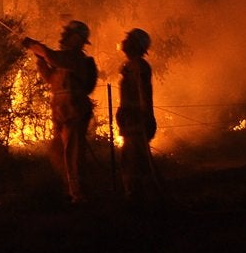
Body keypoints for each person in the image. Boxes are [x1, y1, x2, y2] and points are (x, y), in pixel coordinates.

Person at [22, 20, 98, 203]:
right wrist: (39, 58)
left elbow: (53, 57)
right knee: (58, 151)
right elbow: (50, 78)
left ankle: (79, 194)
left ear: (77, 39)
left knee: (72, 152)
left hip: (74, 109)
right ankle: (71, 188)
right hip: (60, 109)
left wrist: (35, 46)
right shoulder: (64, 59)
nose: (63, 37)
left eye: (68, 34)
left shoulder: (76, 58)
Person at [115, 28, 157, 203]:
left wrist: (146, 117)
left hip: (136, 119)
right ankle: (135, 193)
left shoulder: (139, 66)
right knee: (130, 157)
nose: (125, 42)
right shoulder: (129, 66)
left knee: (135, 159)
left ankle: (140, 197)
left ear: (136, 45)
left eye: (129, 39)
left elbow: (144, 93)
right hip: (129, 118)